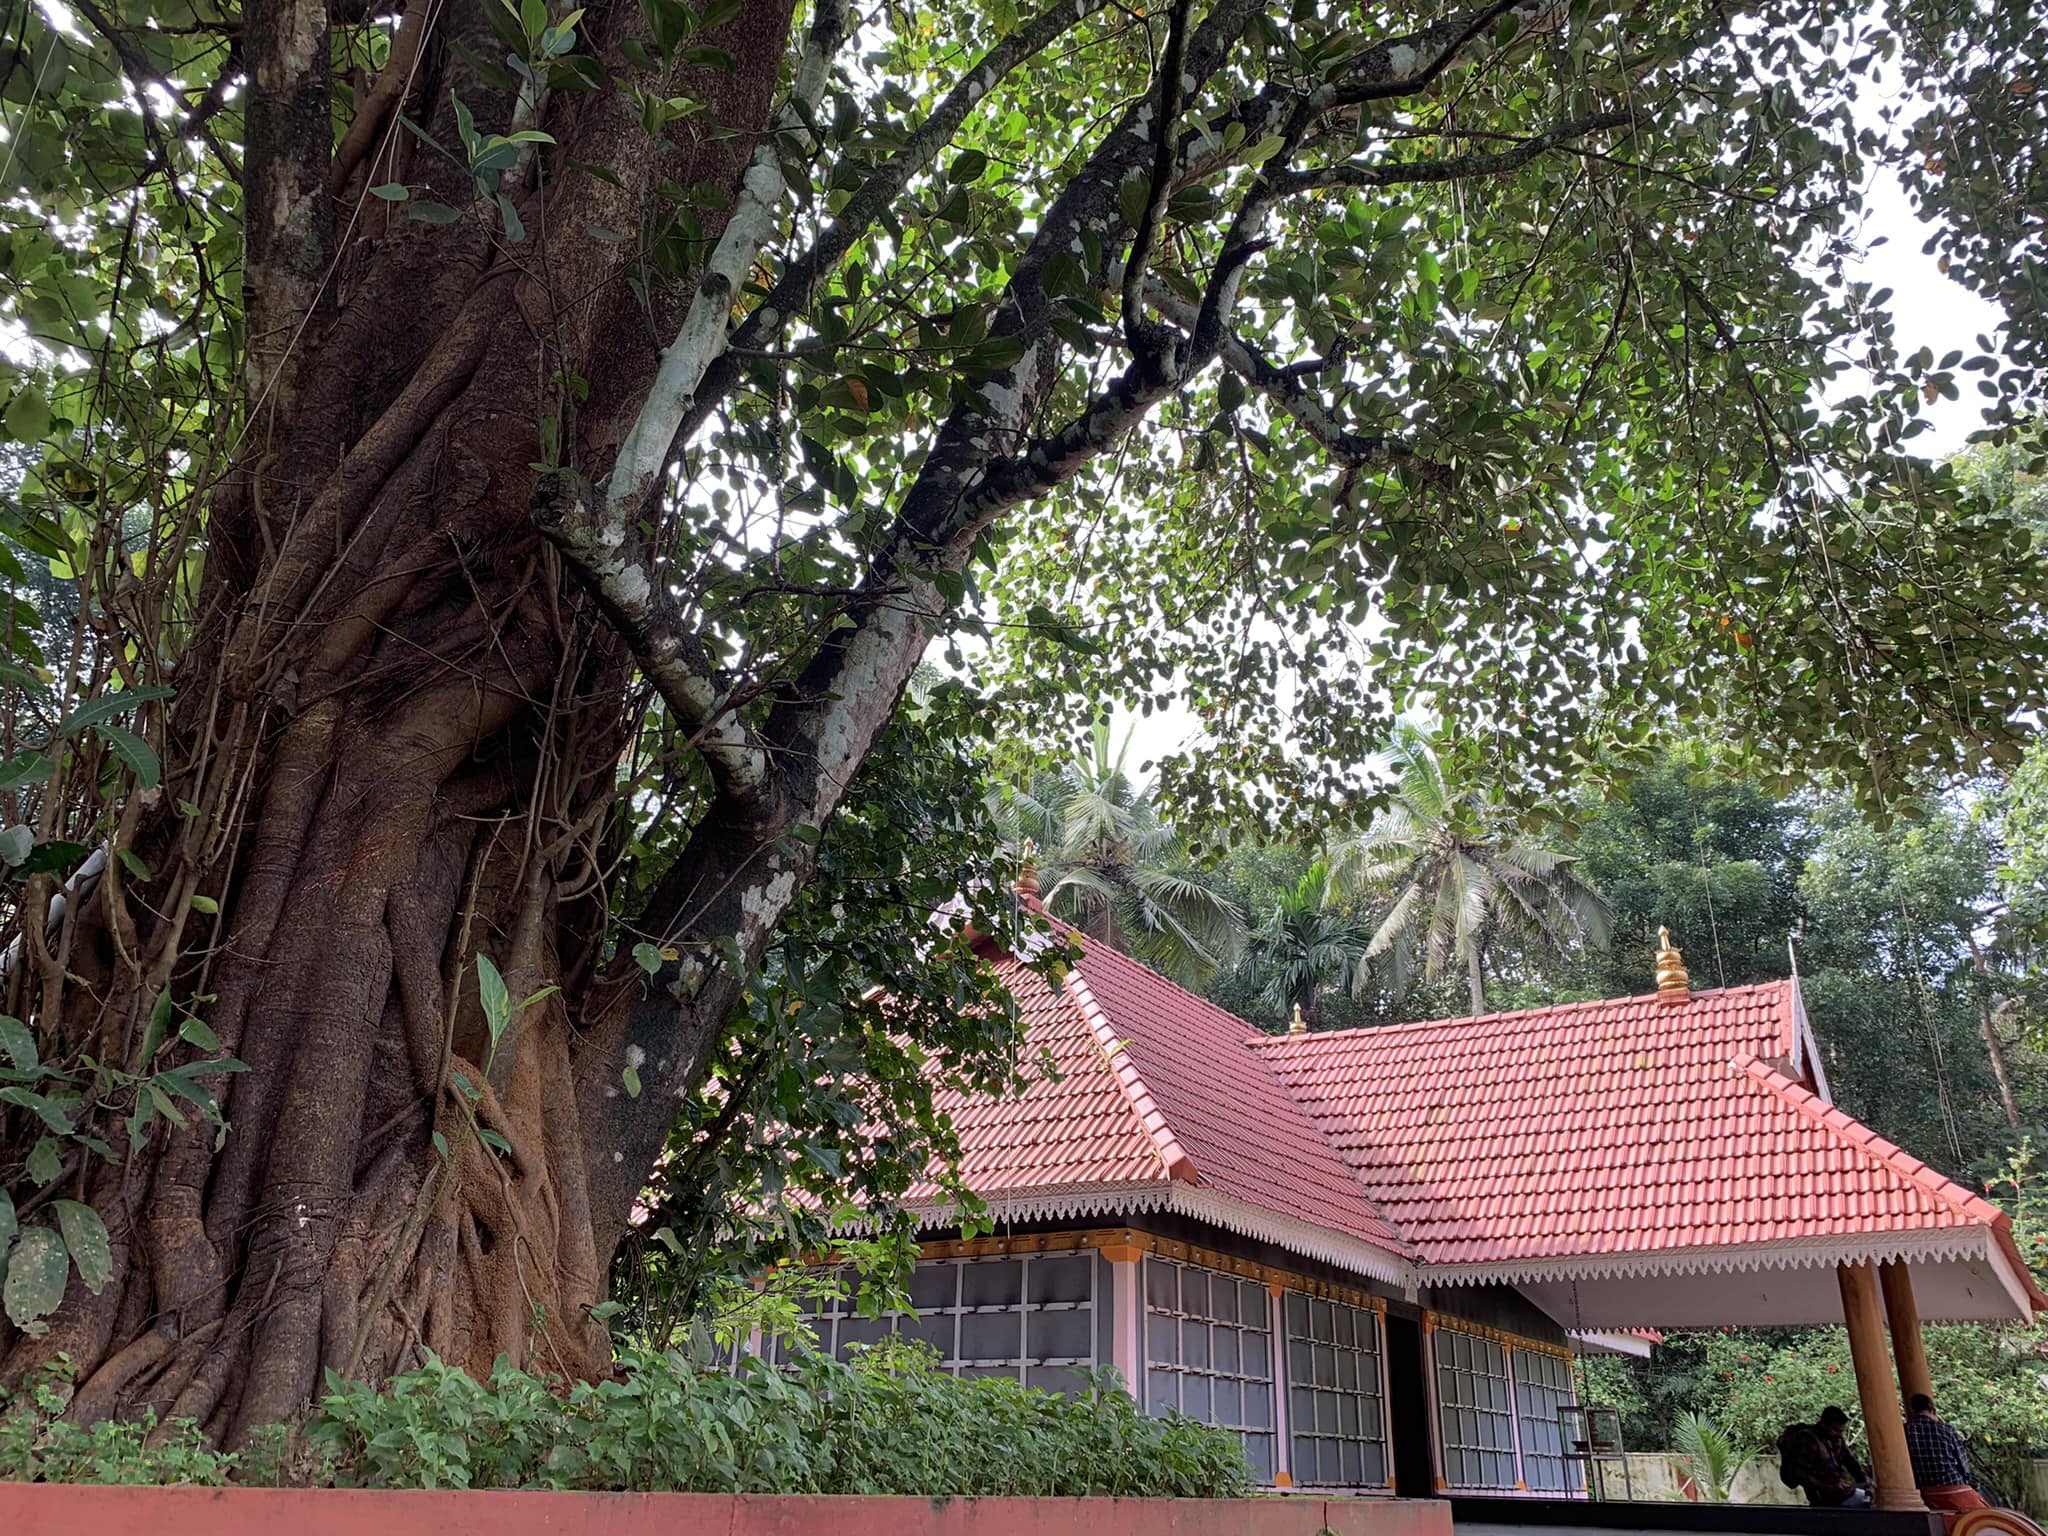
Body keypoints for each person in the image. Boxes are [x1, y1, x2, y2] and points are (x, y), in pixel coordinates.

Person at [1905, 1394, 1991, 1513]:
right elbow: (1963, 1462)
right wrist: (1967, 1481)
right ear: (1933, 1410)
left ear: (1913, 1411)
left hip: (1924, 1491)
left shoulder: (1904, 1431)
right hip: (1952, 1486)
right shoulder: (1945, 1429)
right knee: (1986, 1515)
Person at [1777, 1408, 1871, 1508]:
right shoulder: (1807, 1441)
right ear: (1823, 1424)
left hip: (1841, 1493)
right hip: (1823, 1498)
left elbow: (1850, 1461)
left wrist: (1866, 1482)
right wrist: (1827, 1487)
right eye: (1835, 1430)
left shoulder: (1836, 1440)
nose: (1839, 1434)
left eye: (1841, 1431)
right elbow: (1801, 1474)